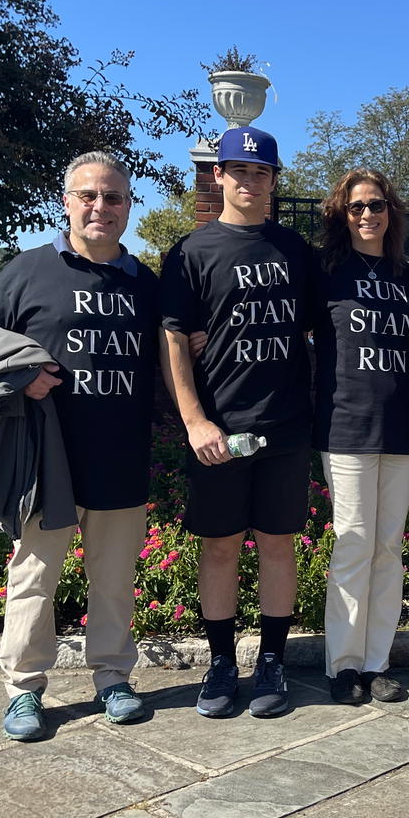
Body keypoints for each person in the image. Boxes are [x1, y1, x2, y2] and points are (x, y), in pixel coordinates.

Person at [0, 150, 160, 741]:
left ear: (128, 206)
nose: (100, 206)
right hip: (46, 458)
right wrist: (22, 377)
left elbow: (174, 353)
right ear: (67, 202)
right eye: (88, 195)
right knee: (33, 575)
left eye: (113, 197)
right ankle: (23, 690)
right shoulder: (28, 270)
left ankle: (112, 679)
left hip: (120, 454)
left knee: (113, 577)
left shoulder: (144, 282)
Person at [159, 126, 314, 720]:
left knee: (278, 545)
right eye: (239, 171)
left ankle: (271, 660)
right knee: (219, 548)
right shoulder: (192, 251)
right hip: (219, 428)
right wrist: (195, 419)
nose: (250, 182)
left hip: (284, 424)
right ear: (218, 175)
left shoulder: (295, 250)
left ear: (274, 181)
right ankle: (222, 661)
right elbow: (174, 337)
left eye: (262, 173)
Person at [312, 168, 409, 705]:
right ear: (342, 214)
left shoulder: (408, 274)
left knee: (387, 548)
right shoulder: (326, 272)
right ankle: (344, 663)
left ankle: (378, 661)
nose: (367, 215)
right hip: (346, 426)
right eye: (356, 207)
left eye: (376, 205)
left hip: (401, 428)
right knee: (352, 545)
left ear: (390, 212)